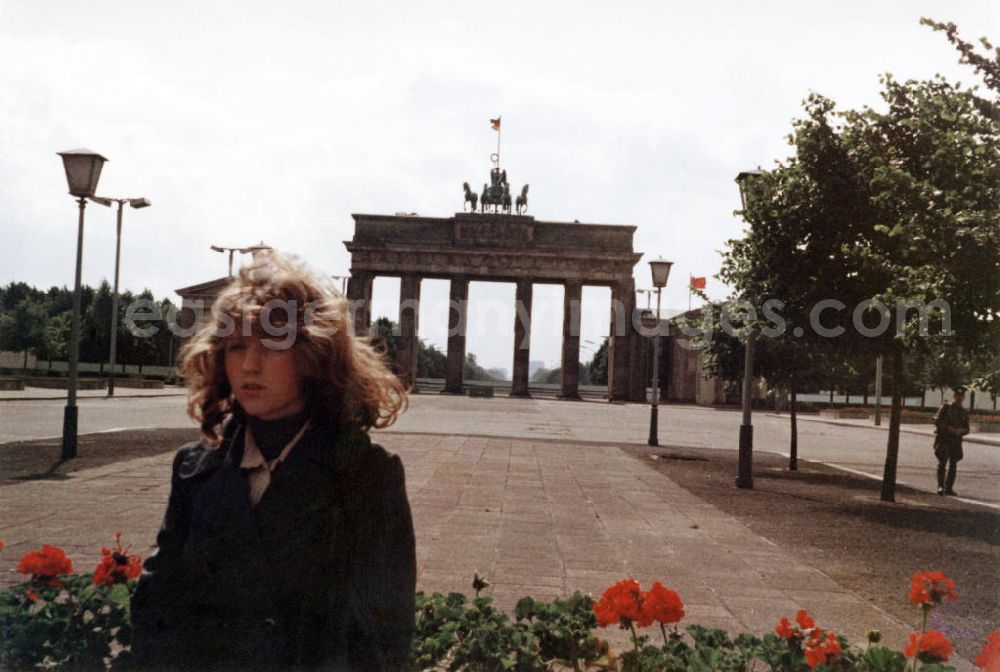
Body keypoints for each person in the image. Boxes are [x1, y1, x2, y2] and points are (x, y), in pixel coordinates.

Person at [130, 253, 415, 670]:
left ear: (314, 354)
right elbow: (156, 608)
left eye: (271, 344)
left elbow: (381, 639)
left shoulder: (366, 476)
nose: (249, 365)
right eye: (237, 347)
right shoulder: (194, 469)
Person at [933, 388, 970, 496]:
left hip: (956, 441)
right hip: (944, 439)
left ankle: (949, 488)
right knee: (942, 464)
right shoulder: (946, 407)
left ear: (964, 398)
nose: (959, 398)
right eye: (958, 395)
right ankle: (940, 487)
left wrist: (961, 431)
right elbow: (937, 421)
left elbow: (967, 428)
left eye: (961, 396)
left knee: (953, 465)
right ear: (954, 396)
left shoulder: (964, 412)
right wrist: (948, 428)